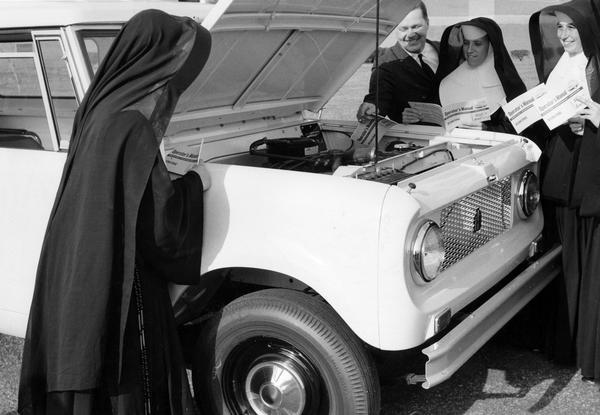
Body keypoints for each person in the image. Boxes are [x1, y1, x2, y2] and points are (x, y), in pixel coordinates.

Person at [17, 9, 212, 414]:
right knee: (126, 373)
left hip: (78, 269)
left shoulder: (99, 109)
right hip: (122, 280)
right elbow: (160, 229)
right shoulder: (133, 127)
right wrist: (195, 185)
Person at [529, 0, 600, 382]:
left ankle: (591, 352)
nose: (564, 35)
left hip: (592, 181)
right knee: (568, 262)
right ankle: (566, 345)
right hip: (565, 179)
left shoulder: (596, 64)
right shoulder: (563, 66)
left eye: (571, 27)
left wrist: (594, 116)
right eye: (559, 28)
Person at [437, 17, 528, 132]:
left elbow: (523, 128)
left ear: (490, 45)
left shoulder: (510, 85)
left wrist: (487, 129)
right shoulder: (448, 81)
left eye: (477, 44)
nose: (469, 50)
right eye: (466, 43)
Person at [355, 1, 439, 124]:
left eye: (416, 26)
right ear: (394, 28)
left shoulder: (445, 49)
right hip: (417, 139)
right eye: (403, 28)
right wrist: (372, 108)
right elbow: (378, 98)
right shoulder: (384, 64)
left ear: (427, 23)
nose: (410, 34)